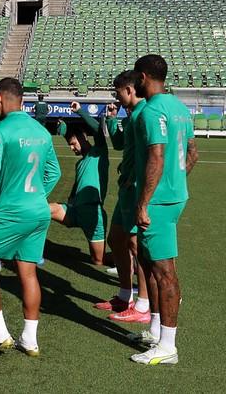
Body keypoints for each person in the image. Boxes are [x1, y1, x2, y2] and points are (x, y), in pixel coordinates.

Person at [0, 77, 60, 356]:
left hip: (11, 210)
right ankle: (29, 339)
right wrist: (34, 196)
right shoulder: (42, 132)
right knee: (28, 271)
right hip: (38, 210)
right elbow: (53, 172)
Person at [128, 54, 198, 365]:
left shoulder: (152, 110)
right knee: (148, 262)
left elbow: (156, 156)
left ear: (142, 77)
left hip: (157, 201)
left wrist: (144, 202)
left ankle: (168, 346)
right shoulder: (180, 107)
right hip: (173, 195)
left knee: (164, 271)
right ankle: (156, 332)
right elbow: (193, 153)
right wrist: (176, 182)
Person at [96, 70, 151, 323]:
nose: (116, 98)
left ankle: (144, 303)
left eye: (118, 92)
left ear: (129, 90)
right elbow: (120, 145)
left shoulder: (143, 115)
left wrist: (137, 178)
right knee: (116, 238)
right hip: (126, 188)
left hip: (134, 189)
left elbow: (154, 153)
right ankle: (125, 294)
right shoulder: (131, 116)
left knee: (134, 243)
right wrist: (111, 119)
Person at [48, 101, 109, 265]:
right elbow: (77, 185)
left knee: (98, 261)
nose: (72, 148)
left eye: (73, 144)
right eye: (70, 146)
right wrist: (71, 197)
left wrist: (80, 111)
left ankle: (128, 261)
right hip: (75, 211)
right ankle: (29, 249)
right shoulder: (79, 163)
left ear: (83, 137)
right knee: (43, 210)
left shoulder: (98, 153)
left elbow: (98, 130)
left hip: (92, 213)